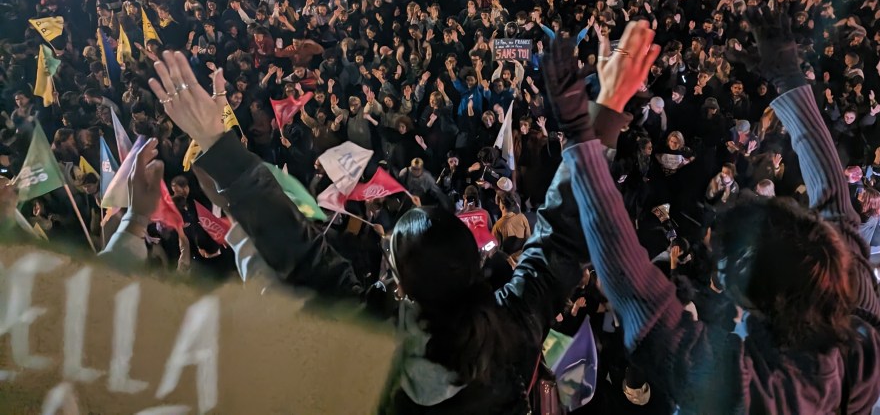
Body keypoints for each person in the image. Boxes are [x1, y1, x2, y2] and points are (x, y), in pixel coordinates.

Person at [132, 42, 618, 413]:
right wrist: (607, 106)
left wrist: (214, 141)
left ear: (401, 284)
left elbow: (297, 252)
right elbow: (563, 235)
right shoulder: (516, 323)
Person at [565, 14, 880, 413]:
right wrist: (788, 77)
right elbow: (834, 200)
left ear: (759, 299)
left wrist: (596, 120)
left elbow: (637, 296)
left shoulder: (756, 395)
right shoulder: (857, 313)